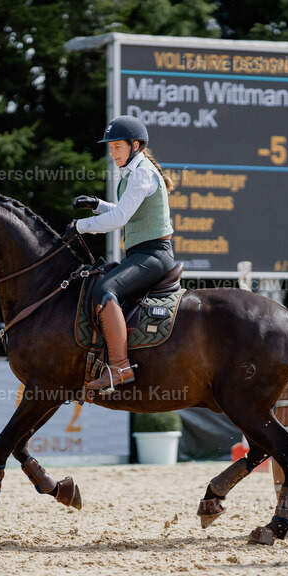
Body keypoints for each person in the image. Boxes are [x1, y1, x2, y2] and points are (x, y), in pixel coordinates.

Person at [65, 115, 176, 391]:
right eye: (111, 147)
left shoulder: (141, 173)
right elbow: (121, 211)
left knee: (104, 290)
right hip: (142, 253)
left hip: (154, 254)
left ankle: (120, 368)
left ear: (135, 145)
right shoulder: (136, 171)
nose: (112, 152)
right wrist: (97, 204)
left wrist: (81, 226)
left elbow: (119, 219)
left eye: (117, 147)